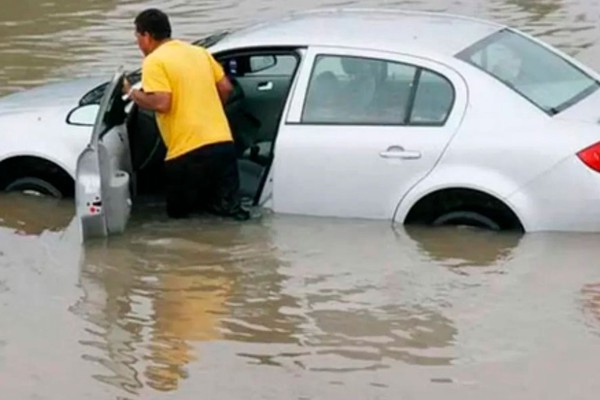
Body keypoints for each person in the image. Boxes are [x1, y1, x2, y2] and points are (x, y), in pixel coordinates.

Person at [123, 8, 249, 221]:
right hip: (223, 145)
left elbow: (162, 102)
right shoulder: (199, 52)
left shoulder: (154, 61)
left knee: (181, 221)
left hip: (188, 153)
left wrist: (132, 93)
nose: (138, 43)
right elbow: (226, 88)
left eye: (137, 37)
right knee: (230, 214)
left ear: (147, 35)